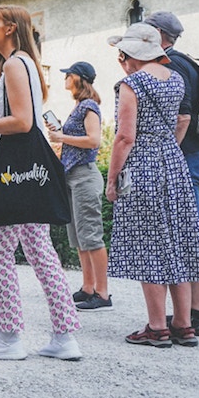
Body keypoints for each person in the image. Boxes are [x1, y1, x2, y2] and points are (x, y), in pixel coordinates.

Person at [0, 5, 82, 360]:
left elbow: (22, 122)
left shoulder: (12, 64)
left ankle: (9, 337)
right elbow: (9, 118)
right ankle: (65, 335)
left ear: (10, 28)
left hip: (15, 173)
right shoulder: (25, 63)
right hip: (31, 172)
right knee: (41, 251)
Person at [105, 23, 199, 348]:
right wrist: (168, 146)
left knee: (150, 243)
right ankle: (183, 325)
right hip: (173, 163)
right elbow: (182, 120)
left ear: (129, 54)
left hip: (143, 166)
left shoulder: (131, 83)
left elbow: (124, 137)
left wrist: (112, 180)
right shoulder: (175, 79)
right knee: (176, 242)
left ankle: (156, 327)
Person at [144, 11, 199, 336]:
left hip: (183, 156)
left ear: (158, 33)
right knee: (191, 229)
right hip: (196, 154)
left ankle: (197, 313)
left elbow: (181, 117)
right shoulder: (188, 62)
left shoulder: (171, 65)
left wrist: (165, 155)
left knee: (189, 232)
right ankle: (197, 311)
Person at [45, 62, 112, 312]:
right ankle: (87, 287)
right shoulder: (79, 107)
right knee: (79, 237)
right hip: (72, 176)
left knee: (91, 235)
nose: (65, 78)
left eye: (69, 75)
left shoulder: (89, 106)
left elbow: (94, 140)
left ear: (78, 79)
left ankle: (103, 294)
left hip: (85, 176)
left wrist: (62, 137)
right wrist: (61, 132)